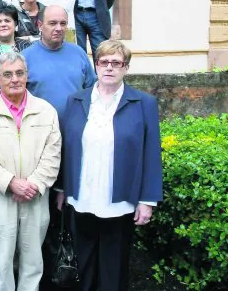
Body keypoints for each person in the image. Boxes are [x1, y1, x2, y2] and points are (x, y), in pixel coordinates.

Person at [57, 40, 162, 291]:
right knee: (84, 262)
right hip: (82, 196)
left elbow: (151, 152)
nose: (109, 68)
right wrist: (61, 188)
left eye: (117, 63)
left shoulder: (143, 103)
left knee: (114, 267)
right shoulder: (76, 101)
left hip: (120, 199)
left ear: (126, 68)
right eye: (104, 62)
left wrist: (147, 200)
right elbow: (65, 148)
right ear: (96, 65)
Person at [0, 51, 61, 291]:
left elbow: (52, 155)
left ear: (27, 76)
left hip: (35, 196)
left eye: (19, 73)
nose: (15, 79)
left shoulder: (46, 111)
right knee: (1, 260)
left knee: (33, 260)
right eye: (8, 74)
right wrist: (11, 182)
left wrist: (33, 184)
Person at [22, 4, 96, 117]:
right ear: (40, 25)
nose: (59, 28)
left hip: (75, 126)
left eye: (63, 23)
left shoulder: (79, 53)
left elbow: (93, 89)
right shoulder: (25, 58)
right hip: (39, 128)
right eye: (52, 23)